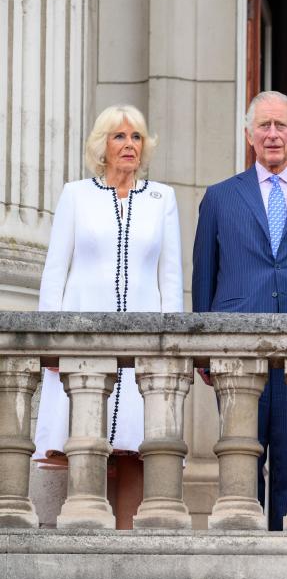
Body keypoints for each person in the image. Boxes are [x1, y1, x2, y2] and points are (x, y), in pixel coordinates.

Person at [192, 90, 287, 531]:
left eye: (282, 126)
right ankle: (242, 561)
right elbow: (204, 276)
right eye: (264, 125)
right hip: (238, 353)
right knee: (240, 461)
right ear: (249, 135)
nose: (273, 134)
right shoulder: (220, 198)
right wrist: (203, 351)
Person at [35, 104, 183, 529]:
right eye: (119, 137)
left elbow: (170, 278)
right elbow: (54, 273)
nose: (129, 145)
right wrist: (50, 340)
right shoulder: (76, 195)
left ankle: (127, 555)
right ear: (103, 145)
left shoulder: (162, 199)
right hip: (83, 343)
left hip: (143, 348)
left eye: (136, 137)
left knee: (136, 449)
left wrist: (170, 346)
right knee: (85, 444)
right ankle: (85, 550)